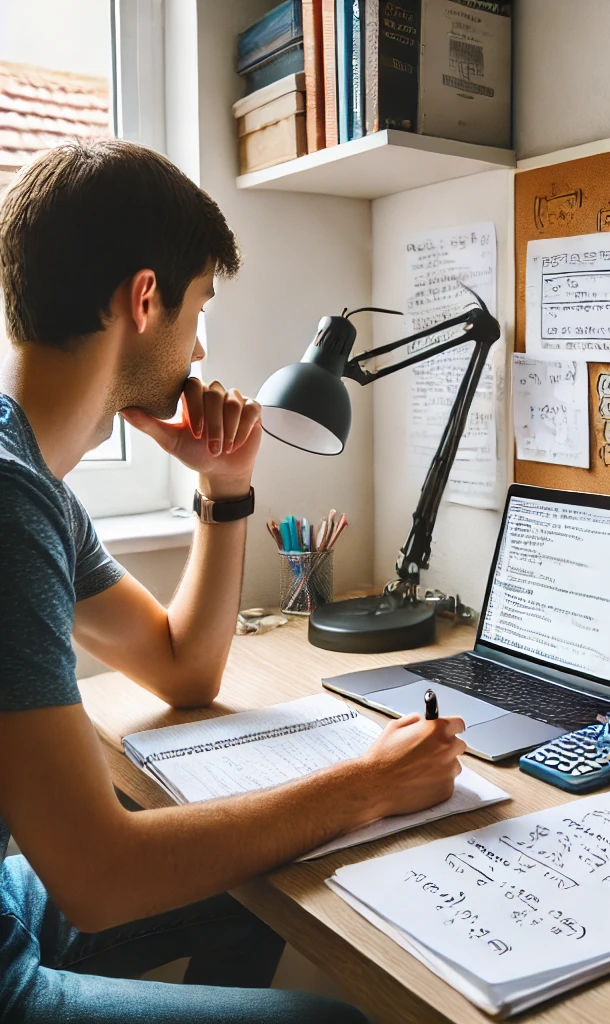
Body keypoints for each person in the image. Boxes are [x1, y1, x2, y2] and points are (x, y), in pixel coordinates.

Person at [0, 139, 467, 1023]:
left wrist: (226, 486)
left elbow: (183, 669)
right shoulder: (6, 499)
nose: (201, 343)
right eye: (199, 305)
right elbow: (99, 877)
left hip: (8, 903)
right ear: (146, 299)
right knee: (327, 1019)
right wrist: (366, 784)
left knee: (256, 879)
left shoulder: (33, 488)